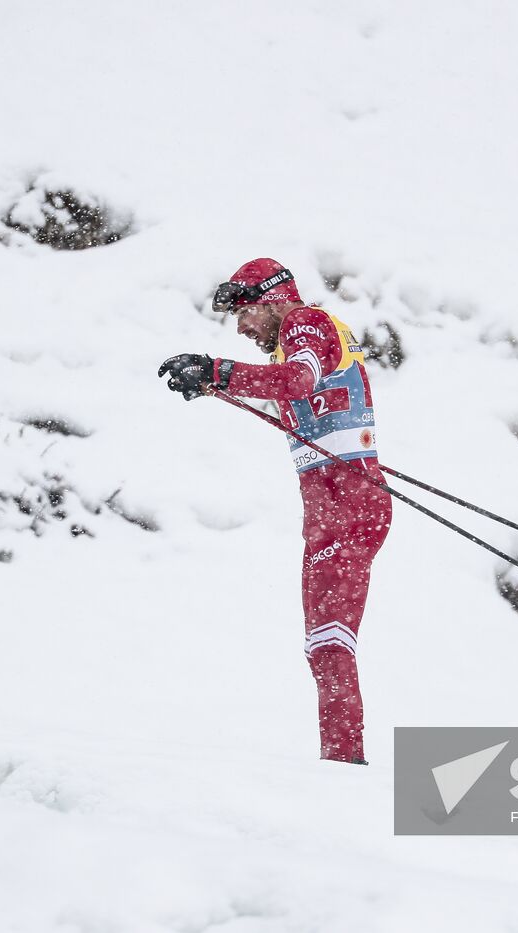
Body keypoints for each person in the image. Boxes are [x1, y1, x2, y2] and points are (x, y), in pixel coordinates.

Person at [157, 258, 391, 765]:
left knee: (329, 645)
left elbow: (296, 382)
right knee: (323, 645)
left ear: (273, 298)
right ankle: (343, 760)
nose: (240, 327)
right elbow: (289, 388)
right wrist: (215, 384)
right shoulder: (297, 339)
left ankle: (344, 767)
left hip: (347, 500)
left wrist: (217, 370)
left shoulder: (305, 322)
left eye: (244, 313)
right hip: (336, 505)